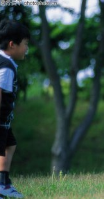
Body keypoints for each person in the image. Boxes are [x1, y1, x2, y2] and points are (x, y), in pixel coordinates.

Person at [0, 19, 30, 198]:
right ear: (12, 44)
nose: (26, 48)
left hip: (4, 121)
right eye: (25, 44)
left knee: (9, 144)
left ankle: (3, 183)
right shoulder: (6, 66)